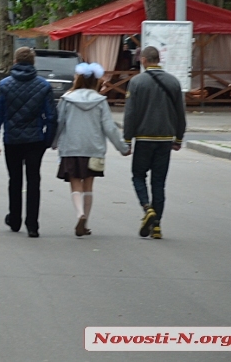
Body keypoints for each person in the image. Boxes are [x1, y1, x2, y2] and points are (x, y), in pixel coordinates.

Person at [52, 63, 131, 237]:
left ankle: (79, 213)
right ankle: (85, 222)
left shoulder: (67, 99)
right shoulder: (100, 101)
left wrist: (54, 142)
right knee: (88, 185)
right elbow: (109, 127)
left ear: (78, 78)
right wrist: (122, 148)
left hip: (71, 147)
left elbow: (59, 123)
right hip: (93, 149)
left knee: (75, 184)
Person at [0, 47, 57, 238]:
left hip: (12, 139)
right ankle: (32, 224)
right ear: (33, 62)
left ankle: (15, 218)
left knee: (15, 179)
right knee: (34, 180)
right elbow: (52, 117)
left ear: (15, 61)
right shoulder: (43, 86)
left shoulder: (4, 85)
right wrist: (48, 140)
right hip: (36, 139)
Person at [123, 46, 186, 239]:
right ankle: (157, 225)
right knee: (159, 182)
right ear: (159, 59)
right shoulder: (173, 82)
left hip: (143, 138)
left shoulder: (136, 82)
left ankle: (146, 207)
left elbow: (131, 114)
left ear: (143, 60)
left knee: (138, 176)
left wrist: (128, 138)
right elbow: (180, 114)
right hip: (165, 139)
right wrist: (178, 137)